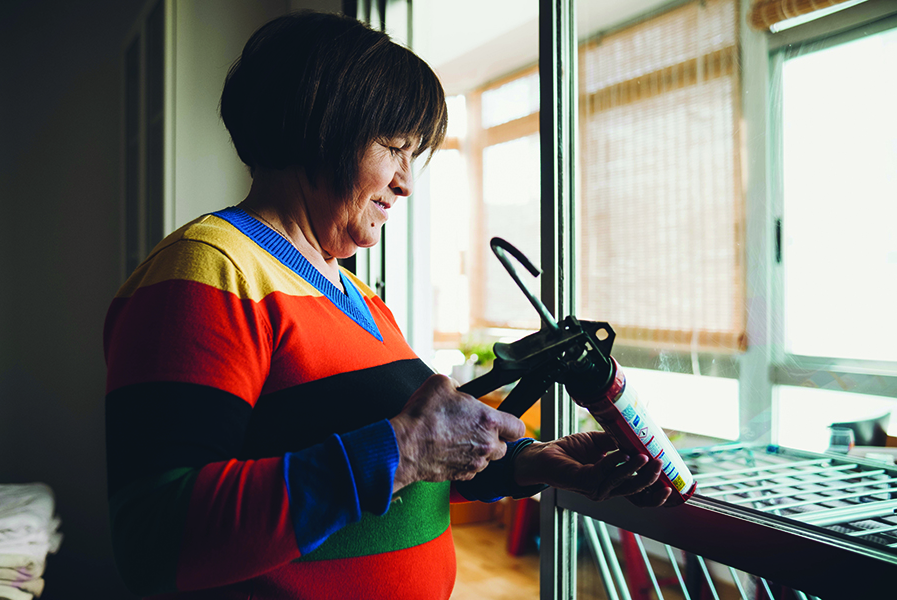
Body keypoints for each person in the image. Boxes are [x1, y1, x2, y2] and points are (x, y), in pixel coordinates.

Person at [103, 10, 670, 600]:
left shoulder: (361, 297)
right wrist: (405, 448)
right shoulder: (207, 270)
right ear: (317, 129)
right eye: (394, 147)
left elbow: (393, 479)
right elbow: (155, 539)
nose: (406, 182)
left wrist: (530, 461)